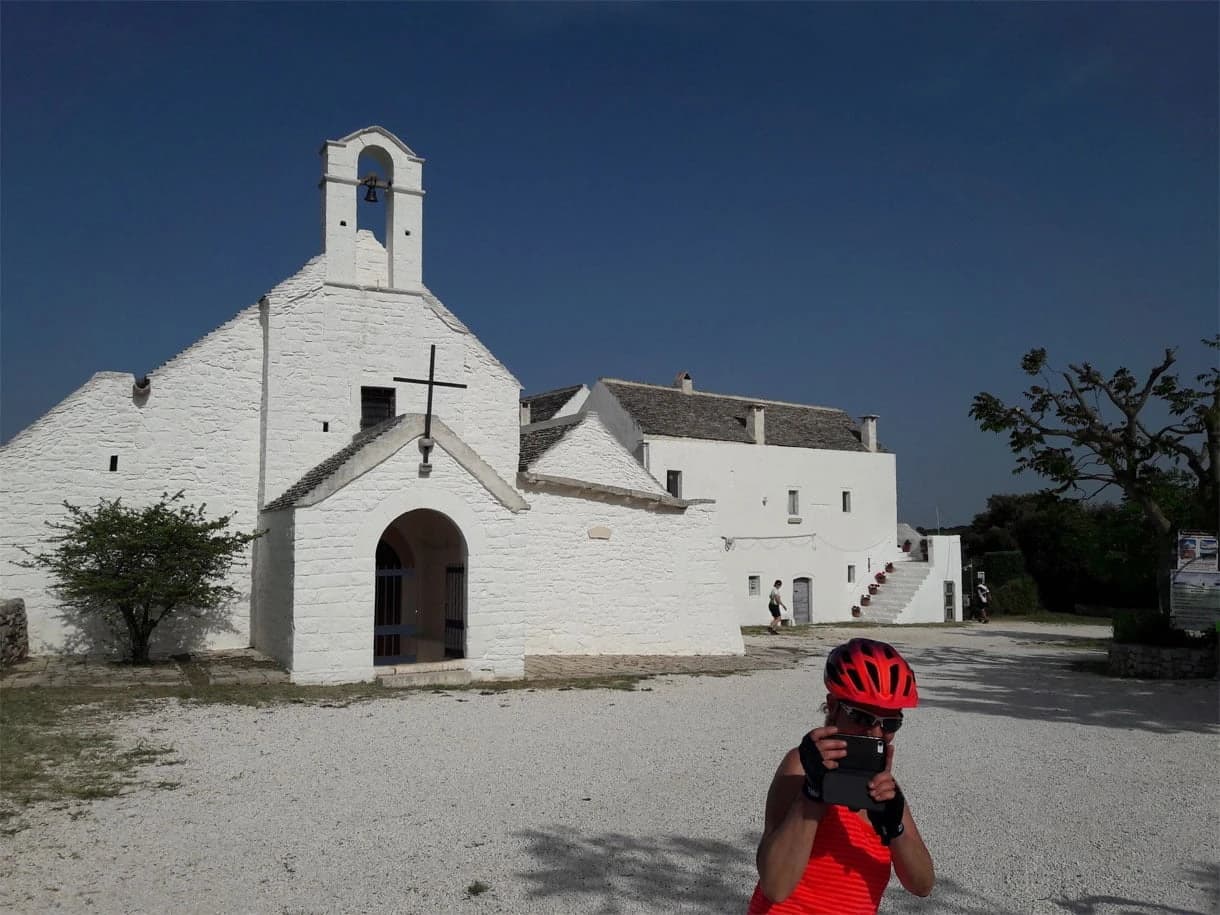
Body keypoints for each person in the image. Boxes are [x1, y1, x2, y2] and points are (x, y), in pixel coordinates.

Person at [748, 638, 934, 913]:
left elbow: (922, 885)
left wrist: (895, 825)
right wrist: (812, 794)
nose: (875, 732)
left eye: (891, 723)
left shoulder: (884, 789)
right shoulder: (799, 767)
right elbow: (775, 886)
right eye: (862, 717)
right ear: (833, 706)